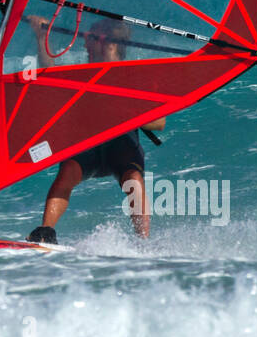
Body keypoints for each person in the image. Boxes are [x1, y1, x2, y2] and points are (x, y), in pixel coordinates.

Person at [20, 13, 165, 242]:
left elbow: (159, 122)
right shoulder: (80, 76)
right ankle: (45, 232)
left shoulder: (134, 78)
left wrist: (122, 109)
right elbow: (48, 76)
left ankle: (143, 242)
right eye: (87, 38)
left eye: (93, 38)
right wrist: (41, 37)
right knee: (67, 173)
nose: (87, 43)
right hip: (88, 144)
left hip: (122, 145)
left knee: (134, 179)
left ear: (111, 44)